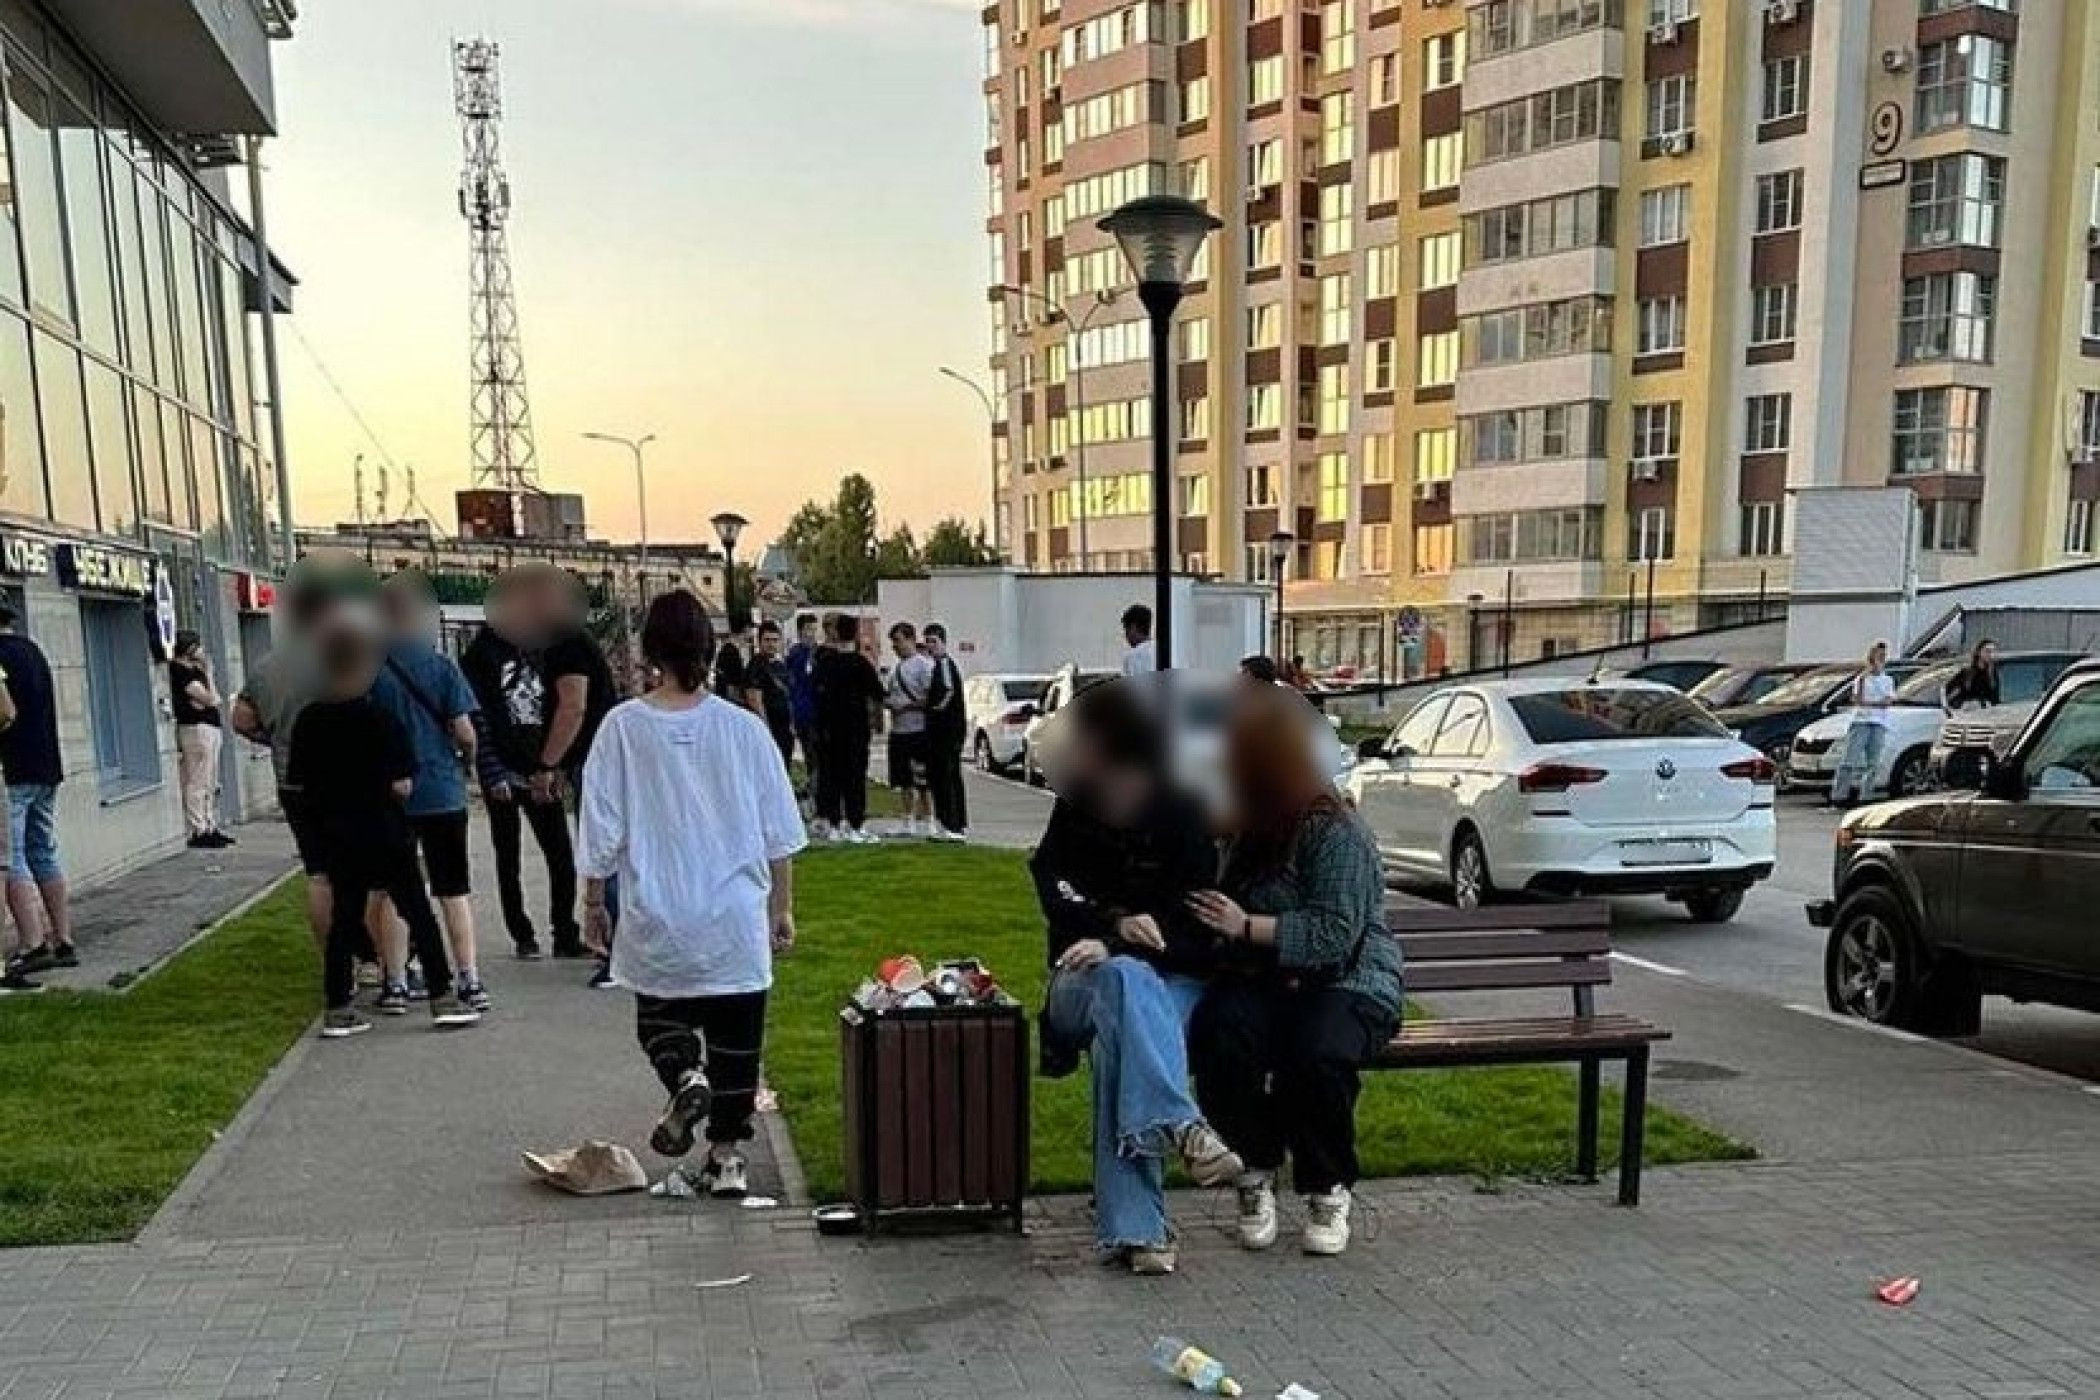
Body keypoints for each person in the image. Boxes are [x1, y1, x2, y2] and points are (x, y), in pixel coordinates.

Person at [577, 590, 805, 1199]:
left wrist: (594, 902)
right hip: (733, 913)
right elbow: (779, 831)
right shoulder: (745, 731)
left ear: (650, 650)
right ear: (708, 648)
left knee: (659, 1018)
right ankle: (727, 1157)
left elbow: (601, 828)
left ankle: (683, 1074)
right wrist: (782, 907)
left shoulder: (623, 729)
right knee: (738, 1041)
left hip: (660, 908)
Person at [1183, 683, 1404, 1259]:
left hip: (1348, 979)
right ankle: (1255, 1168)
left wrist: (1246, 926)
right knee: (1219, 1033)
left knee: (1317, 1053)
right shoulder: (1248, 826)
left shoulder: (1337, 831)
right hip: (1267, 977)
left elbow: (1335, 933)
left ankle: (1327, 1186)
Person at [1030, 682, 1241, 1276]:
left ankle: (1139, 1233)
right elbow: (1056, 892)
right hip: (1080, 981)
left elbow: (1200, 927)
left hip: (1172, 981)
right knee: (1121, 980)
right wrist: (1113, 927)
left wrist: (1122, 941)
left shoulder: (1185, 814)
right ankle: (1183, 1125)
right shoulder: (1074, 810)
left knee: (1120, 1036)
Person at [288, 625, 480, 1039]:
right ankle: (442, 995)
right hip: (385, 830)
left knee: (345, 918)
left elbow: (299, 782)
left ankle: (338, 1007)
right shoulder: (380, 719)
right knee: (417, 911)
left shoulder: (309, 720)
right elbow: (403, 784)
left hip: (337, 833)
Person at [370, 573, 490, 1014]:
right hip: (441, 790)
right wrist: (465, 759)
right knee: (453, 890)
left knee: (397, 891)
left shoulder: (370, 671)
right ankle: (468, 979)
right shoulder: (441, 668)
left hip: (389, 796)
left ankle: (396, 982)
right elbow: (465, 730)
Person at [461, 573, 581, 960]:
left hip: (539, 765)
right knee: (508, 856)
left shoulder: (546, 648)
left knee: (560, 855)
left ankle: (564, 931)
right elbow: (476, 715)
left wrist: (554, 763)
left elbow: (561, 704)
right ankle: (522, 933)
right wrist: (491, 770)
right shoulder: (481, 655)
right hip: (503, 768)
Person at [0, 605, 73, 973]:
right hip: (46, 764)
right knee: (42, 850)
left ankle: (32, 943)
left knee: (12, 858)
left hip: (12, 769)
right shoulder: (32, 650)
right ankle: (63, 937)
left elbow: (6, 712)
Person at [812, 615, 883, 843]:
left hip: (829, 729)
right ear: (855, 634)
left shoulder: (825, 663)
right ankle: (855, 824)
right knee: (855, 778)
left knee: (832, 776)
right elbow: (878, 693)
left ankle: (834, 824)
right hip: (855, 729)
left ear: (835, 633)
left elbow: (815, 690)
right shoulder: (860, 664)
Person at [169, 631, 232, 849]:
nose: (202, 651)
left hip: (210, 727)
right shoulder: (180, 671)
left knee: (210, 780)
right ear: (189, 648)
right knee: (197, 779)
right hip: (195, 728)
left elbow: (214, 699)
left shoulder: (196, 671)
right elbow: (210, 699)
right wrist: (210, 677)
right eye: (198, 646)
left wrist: (207, 674)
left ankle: (210, 824)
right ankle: (198, 829)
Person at [1830, 641, 1898, 808]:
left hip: (1878, 722)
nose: (1880, 661)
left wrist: (1871, 703)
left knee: (1873, 762)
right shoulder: (1862, 679)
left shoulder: (1888, 680)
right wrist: (1872, 701)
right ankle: (1839, 796)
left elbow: (1887, 702)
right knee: (1849, 760)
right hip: (1861, 720)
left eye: (1882, 657)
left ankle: (1865, 795)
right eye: (1877, 657)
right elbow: (1858, 700)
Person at [883, 622, 934, 837]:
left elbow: (931, 698)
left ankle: (929, 818)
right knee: (903, 779)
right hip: (898, 730)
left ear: (911, 640)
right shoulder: (895, 669)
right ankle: (907, 819)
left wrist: (906, 706)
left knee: (923, 779)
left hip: (918, 730)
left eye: (898, 641)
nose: (895, 646)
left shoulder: (923, 666)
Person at [920, 623, 969, 842]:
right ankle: (953, 823)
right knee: (947, 777)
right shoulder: (940, 665)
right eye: (927, 642)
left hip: (946, 733)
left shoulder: (944, 665)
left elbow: (948, 691)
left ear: (943, 642)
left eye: (933, 641)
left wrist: (934, 708)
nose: (930, 646)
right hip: (947, 732)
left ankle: (952, 823)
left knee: (946, 777)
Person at [748, 620, 797, 769]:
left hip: (784, 729)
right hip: (769, 729)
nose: (771, 644)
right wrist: (765, 730)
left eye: (775, 640)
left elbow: (788, 697)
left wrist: (792, 724)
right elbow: (754, 699)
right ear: (759, 641)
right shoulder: (756, 665)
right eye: (767, 640)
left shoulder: (780, 666)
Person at [785, 614, 824, 791]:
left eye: (814, 629)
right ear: (800, 631)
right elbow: (791, 683)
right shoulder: (795, 654)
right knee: (810, 752)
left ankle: (818, 785)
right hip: (803, 711)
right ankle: (814, 785)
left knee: (820, 752)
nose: (812, 634)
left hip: (819, 711)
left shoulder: (820, 653)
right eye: (809, 629)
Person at [1945, 639, 2000, 712]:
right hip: (1967, 710)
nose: (1991, 655)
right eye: (1987, 651)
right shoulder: (1967, 671)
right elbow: (1948, 689)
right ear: (1978, 652)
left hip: (1985, 712)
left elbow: (1995, 698)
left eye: (1993, 651)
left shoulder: (1992, 673)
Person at [1120, 604, 1156, 677]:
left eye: (1126, 629)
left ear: (1133, 627)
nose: (1126, 635)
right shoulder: (1161, 652)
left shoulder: (1131, 656)